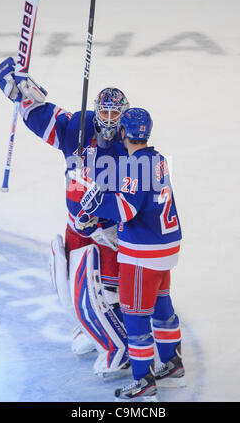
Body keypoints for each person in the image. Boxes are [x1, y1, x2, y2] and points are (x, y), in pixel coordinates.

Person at [0, 56, 130, 377]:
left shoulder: (127, 145)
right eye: (104, 112)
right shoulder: (78, 127)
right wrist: (22, 93)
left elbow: (134, 192)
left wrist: (111, 223)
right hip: (75, 225)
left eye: (115, 114)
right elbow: (43, 118)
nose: (109, 119)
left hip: (108, 231)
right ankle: (91, 327)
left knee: (108, 287)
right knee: (70, 281)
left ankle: (118, 338)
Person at [76, 107, 185, 401]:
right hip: (166, 247)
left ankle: (144, 382)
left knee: (136, 319)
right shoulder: (158, 159)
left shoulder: (131, 166)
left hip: (142, 253)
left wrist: (96, 205)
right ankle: (173, 365)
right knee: (162, 308)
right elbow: (143, 199)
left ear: (123, 133)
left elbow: (127, 209)